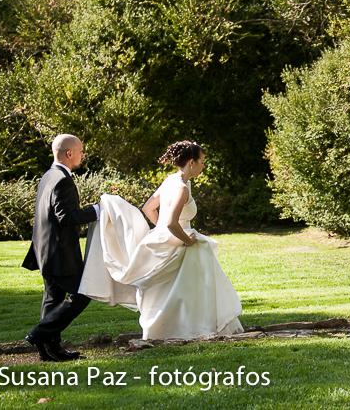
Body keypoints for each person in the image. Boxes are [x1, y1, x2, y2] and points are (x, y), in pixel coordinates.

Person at [79, 140, 243, 340]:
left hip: (164, 238)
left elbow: (149, 208)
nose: (203, 166)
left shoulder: (170, 181)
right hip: (179, 240)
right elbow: (173, 223)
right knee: (191, 288)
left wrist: (160, 230)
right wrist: (187, 240)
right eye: (202, 161)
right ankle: (193, 327)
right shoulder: (182, 187)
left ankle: (166, 329)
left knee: (170, 291)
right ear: (191, 162)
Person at [22, 134, 99, 362]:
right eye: (81, 151)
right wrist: (97, 210)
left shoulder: (48, 175)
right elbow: (67, 217)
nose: (82, 155)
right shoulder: (62, 180)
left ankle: (49, 350)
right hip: (60, 254)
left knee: (53, 299)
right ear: (69, 153)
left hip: (44, 251)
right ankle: (39, 334)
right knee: (83, 294)